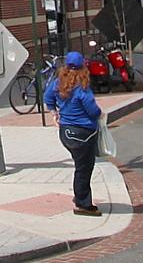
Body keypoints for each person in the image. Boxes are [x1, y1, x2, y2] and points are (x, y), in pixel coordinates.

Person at [43, 50, 103, 217]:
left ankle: (80, 196)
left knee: (80, 165)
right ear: (82, 66)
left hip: (66, 132)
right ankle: (83, 204)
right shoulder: (82, 87)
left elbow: (47, 97)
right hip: (83, 133)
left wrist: (54, 113)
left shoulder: (58, 83)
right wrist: (100, 114)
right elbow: (92, 110)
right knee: (84, 168)